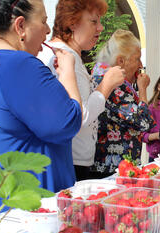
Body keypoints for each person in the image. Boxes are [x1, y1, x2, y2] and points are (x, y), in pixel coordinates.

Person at [0, 0, 83, 222]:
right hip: (20, 209)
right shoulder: (16, 64)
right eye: (43, 21)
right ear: (20, 26)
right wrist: (69, 72)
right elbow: (66, 122)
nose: (48, 30)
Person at [37, 0, 125, 181]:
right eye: (94, 21)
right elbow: (79, 115)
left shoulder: (68, 55)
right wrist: (105, 86)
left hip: (74, 158)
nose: (100, 28)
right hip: (70, 161)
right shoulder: (65, 58)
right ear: (72, 22)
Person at [90, 29, 155, 177]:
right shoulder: (113, 84)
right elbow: (143, 122)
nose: (141, 65)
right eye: (137, 59)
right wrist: (143, 89)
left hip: (114, 165)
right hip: (112, 168)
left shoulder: (105, 76)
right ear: (120, 61)